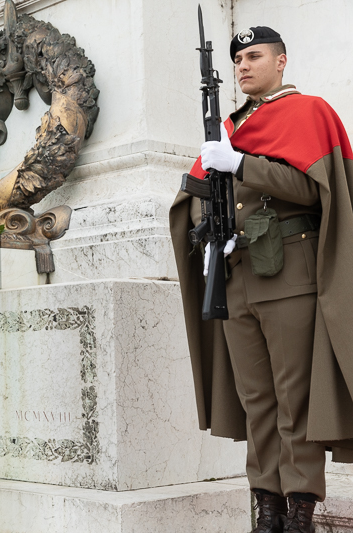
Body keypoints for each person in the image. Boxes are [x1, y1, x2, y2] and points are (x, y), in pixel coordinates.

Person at [170, 27, 353, 533]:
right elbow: (205, 194)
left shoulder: (308, 112)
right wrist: (209, 235)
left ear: (281, 61)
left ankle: (300, 512)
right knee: (256, 401)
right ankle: (267, 508)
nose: (243, 66)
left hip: (288, 272)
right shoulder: (232, 125)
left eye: (254, 56)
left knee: (295, 399)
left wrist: (241, 164)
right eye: (238, 60)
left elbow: (311, 189)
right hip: (236, 276)